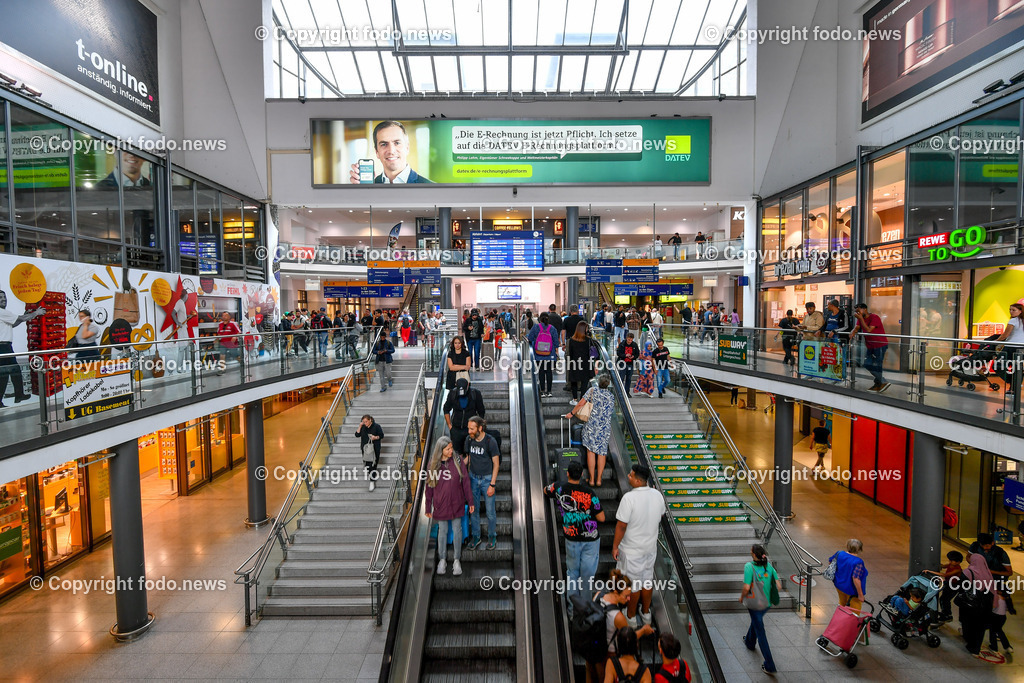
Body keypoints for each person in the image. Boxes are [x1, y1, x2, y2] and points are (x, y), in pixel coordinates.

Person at [545, 460, 605, 609]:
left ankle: (572, 610)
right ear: (582, 475)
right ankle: (585, 610)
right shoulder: (590, 493)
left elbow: (546, 490)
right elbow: (601, 518)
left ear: (567, 474)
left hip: (571, 538)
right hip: (590, 539)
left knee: (572, 574)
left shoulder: (559, 488)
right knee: (586, 576)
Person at [613, 464, 666, 628]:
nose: (628, 477)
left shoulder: (629, 498)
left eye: (630, 475)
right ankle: (646, 614)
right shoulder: (657, 495)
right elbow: (661, 514)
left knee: (633, 585)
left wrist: (615, 546)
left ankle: (630, 616)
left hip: (632, 550)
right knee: (647, 581)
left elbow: (621, 526)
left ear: (637, 480)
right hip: (650, 548)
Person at [591, 570, 655, 683]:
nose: (629, 599)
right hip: (609, 652)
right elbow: (630, 637)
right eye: (626, 596)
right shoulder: (618, 617)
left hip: (594, 647)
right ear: (616, 592)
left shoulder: (598, 595)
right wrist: (644, 630)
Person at [425, 436, 472, 577]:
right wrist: (428, 507)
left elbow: (466, 482)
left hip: (457, 503)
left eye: (451, 448)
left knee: (457, 530)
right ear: (441, 450)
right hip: (441, 505)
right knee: (443, 531)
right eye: (448, 449)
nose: (451, 451)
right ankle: (442, 560)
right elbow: (429, 488)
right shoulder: (433, 464)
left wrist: (471, 502)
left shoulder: (457, 460)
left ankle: (457, 560)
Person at [567, 375, 616, 488]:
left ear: (598, 382)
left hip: (591, 426)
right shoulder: (611, 395)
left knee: (591, 452)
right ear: (608, 384)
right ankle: (599, 480)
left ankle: (592, 480)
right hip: (604, 428)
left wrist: (572, 413)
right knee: (602, 453)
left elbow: (580, 403)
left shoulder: (592, 391)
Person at [348, 120, 432, 184]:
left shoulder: (430, 188)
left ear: (407, 148)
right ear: (377, 152)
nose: (391, 151)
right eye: (384, 144)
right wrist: (359, 193)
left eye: (397, 143)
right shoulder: (371, 186)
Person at [740, 544, 781, 676]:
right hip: (766, 604)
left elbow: (746, 588)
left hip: (754, 604)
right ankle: (749, 641)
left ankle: (770, 664)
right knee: (756, 621)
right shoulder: (769, 567)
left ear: (753, 554)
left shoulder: (749, 567)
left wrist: (741, 597)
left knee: (761, 632)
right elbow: (778, 586)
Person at [0, 290, 45, 407]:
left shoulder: (4, 314)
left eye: (4, 297)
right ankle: (18, 395)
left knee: (10, 372)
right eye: (0, 298)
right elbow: (20, 318)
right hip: (3, 347)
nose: (3, 300)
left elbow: (14, 323)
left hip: (5, 346)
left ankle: (18, 395)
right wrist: (36, 312)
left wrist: (24, 316)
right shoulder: (1, 312)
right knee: (8, 372)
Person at [464, 416, 500, 551]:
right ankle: (476, 537)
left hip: (487, 480)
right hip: (473, 478)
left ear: (480, 428)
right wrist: (458, 466)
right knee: (474, 510)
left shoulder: (490, 441)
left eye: (472, 429)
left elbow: (496, 464)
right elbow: (468, 458)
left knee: (490, 512)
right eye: (468, 428)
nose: (469, 431)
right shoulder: (469, 440)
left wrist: (492, 484)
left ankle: (492, 536)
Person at [959, 552, 996, 657]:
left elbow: (962, 587)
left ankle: (970, 643)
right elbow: (993, 591)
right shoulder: (988, 573)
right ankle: (976, 648)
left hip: (971, 604)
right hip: (985, 605)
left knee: (969, 623)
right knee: (980, 627)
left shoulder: (968, 572)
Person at [968, 532, 1014, 614]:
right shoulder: (975, 546)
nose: (985, 548)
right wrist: (976, 565)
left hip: (995, 580)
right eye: (983, 546)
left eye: (987, 546)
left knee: (996, 607)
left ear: (992, 543)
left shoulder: (1000, 553)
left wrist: (990, 571)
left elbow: (1009, 572)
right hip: (980, 579)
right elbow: (968, 557)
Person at [851, 303, 890, 392]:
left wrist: (861, 319)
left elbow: (868, 330)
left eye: (859, 311)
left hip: (880, 345)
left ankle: (879, 383)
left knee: (877, 365)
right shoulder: (861, 318)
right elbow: (857, 327)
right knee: (867, 364)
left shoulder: (874, 317)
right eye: (856, 312)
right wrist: (853, 331)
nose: (858, 313)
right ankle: (881, 382)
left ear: (865, 309)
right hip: (870, 345)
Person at [444, 377, 485, 458]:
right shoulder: (453, 393)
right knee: (456, 453)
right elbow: (446, 409)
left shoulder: (475, 394)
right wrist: (449, 425)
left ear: (468, 386)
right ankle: (459, 469)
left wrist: (478, 427)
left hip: (470, 430)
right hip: (456, 429)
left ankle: (468, 468)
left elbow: (481, 411)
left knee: (471, 453)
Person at [924, 549, 964, 622]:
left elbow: (945, 574)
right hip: (948, 583)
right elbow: (943, 566)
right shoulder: (951, 565)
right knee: (943, 599)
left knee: (945, 599)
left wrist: (930, 571)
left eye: (952, 561)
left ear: (958, 562)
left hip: (954, 586)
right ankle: (945, 613)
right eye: (950, 560)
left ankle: (947, 614)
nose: (950, 562)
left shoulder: (958, 569)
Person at [828, 539, 868, 609]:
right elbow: (856, 578)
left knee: (842, 603)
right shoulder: (858, 562)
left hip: (839, 585)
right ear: (859, 549)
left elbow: (831, 562)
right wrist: (860, 595)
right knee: (854, 610)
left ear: (847, 546)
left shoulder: (839, 553)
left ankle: (840, 617)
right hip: (851, 591)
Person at [528, 312, 559, 397]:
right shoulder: (552, 328)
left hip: (539, 354)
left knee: (541, 372)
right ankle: (549, 391)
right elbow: (556, 342)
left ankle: (542, 391)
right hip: (550, 354)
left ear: (540, 319)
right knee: (549, 372)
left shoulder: (536, 327)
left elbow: (530, 338)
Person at [566, 321, 596, 403]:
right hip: (586, 363)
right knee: (584, 382)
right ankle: (582, 400)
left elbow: (570, 353)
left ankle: (575, 399)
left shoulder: (571, 340)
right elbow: (592, 353)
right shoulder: (588, 340)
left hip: (575, 363)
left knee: (574, 381)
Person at [354, 415, 384, 492]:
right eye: (363, 422)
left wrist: (375, 437)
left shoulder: (376, 426)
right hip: (365, 449)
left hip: (375, 448)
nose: (365, 423)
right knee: (368, 465)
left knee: (373, 464)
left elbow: (381, 435)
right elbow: (357, 435)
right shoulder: (363, 427)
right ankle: (372, 477)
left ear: (370, 420)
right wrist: (360, 426)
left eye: (366, 421)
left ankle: (372, 481)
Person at [990, 588, 1013, 655]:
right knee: (999, 631)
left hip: (995, 616)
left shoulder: (997, 597)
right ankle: (1007, 647)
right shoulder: (1007, 599)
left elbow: (993, 607)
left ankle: (994, 647)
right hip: (1003, 617)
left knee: (993, 631)